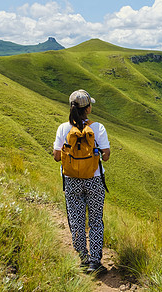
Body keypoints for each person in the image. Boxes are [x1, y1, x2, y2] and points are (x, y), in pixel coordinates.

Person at [52, 89, 111, 273]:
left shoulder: (63, 128)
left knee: (76, 220)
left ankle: (83, 259)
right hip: (94, 180)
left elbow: (55, 156)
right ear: (88, 108)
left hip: (71, 181)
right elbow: (107, 156)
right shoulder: (98, 128)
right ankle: (95, 262)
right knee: (95, 220)